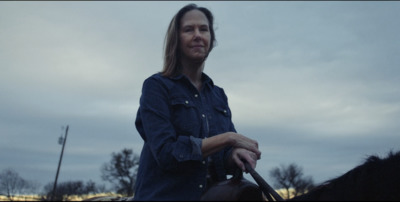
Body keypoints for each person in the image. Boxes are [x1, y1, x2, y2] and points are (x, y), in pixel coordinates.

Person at [133, 3, 261, 201]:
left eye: (203, 29)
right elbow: (167, 153)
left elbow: (222, 155)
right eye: (188, 29)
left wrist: (235, 153)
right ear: (176, 39)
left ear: (211, 38)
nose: (198, 35)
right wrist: (228, 138)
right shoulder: (156, 87)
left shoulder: (218, 95)